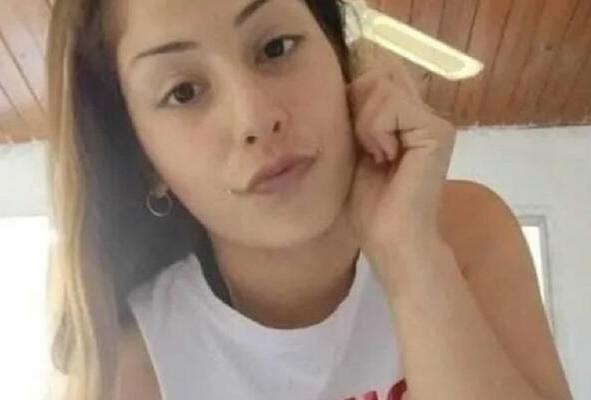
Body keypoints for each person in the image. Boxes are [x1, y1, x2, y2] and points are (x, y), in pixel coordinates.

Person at [44, 0, 573, 399]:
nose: (256, 117)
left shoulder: (464, 234)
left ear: (341, 60)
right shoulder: (135, 363)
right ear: (144, 161)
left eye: (276, 47)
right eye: (183, 92)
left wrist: (411, 261)